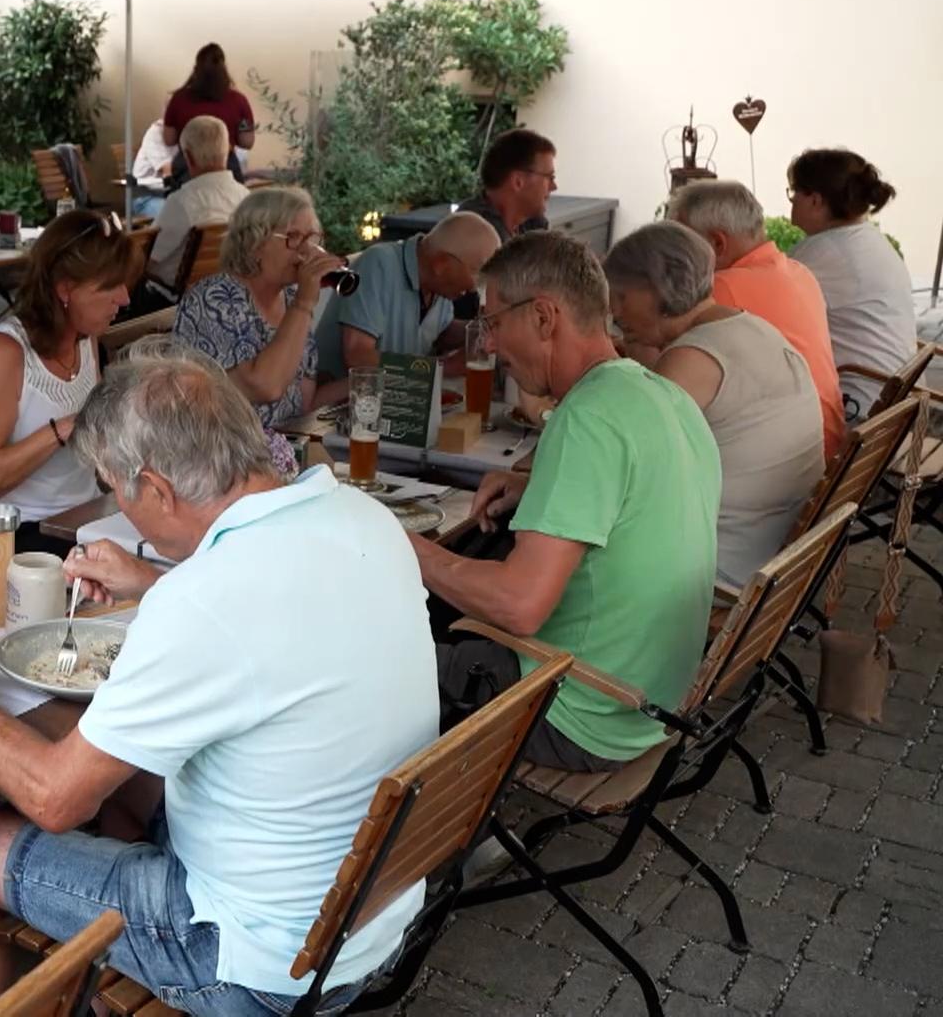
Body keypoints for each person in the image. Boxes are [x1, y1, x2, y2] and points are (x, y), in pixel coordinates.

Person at [0, 338, 437, 1013]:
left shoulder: (206, 601)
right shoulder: (363, 518)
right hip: (367, 912)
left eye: (114, 487)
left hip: (254, 963)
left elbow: (53, 799)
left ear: (156, 488)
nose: (118, 504)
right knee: (123, 780)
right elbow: (267, 620)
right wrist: (152, 580)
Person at [411, 232, 720, 772]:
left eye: (495, 323)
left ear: (544, 317)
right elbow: (638, 504)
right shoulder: (660, 393)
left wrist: (402, 545)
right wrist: (538, 487)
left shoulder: (587, 418)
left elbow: (518, 606)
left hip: (577, 712)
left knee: (356, 662)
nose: (490, 346)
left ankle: (406, 844)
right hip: (647, 700)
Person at [606, 222, 823, 588]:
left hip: (720, 571)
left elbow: (619, 469)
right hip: (772, 554)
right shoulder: (750, 327)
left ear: (656, 289)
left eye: (622, 297)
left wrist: (542, 410)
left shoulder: (693, 358)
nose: (614, 312)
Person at [0, 211, 133, 550]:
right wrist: (60, 431)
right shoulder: (4, 355)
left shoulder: (85, 339)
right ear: (66, 289)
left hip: (79, 520)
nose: (124, 298)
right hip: (14, 534)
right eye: (110, 286)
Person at [667, 179, 844, 460]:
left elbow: (661, 376)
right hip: (825, 445)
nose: (671, 257)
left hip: (788, 466)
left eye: (679, 245)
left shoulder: (720, 288)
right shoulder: (799, 271)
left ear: (717, 243)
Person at [172, 188, 343, 430]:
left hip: (284, 449)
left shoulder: (292, 297)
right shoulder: (214, 299)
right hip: (221, 457)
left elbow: (303, 403)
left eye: (312, 238)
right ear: (254, 243)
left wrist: (369, 383)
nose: (307, 251)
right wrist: (304, 305)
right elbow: (266, 387)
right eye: (293, 237)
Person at [786, 148, 917, 420]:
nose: (791, 200)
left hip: (860, 411)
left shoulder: (824, 252)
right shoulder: (869, 239)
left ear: (815, 200)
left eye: (793, 191)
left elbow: (759, 309)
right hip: (896, 408)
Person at [312, 211, 501, 388]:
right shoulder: (379, 264)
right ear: (441, 264)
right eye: (478, 275)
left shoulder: (440, 285)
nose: (476, 288)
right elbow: (358, 356)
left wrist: (484, 331)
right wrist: (446, 366)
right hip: (333, 407)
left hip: (397, 401)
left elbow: (439, 332)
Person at [147, 117, 248, 285]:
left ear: (188, 157)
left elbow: (149, 258)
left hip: (171, 300)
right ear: (228, 149)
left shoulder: (181, 202)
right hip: (227, 291)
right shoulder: (246, 198)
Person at [459, 129, 555, 242]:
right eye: (549, 177)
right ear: (518, 182)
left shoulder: (533, 225)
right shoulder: (472, 231)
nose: (554, 186)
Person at [162, 43, 255, 153]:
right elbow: (247, 142)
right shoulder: (239, 101)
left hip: (187, 163)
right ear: (223, 69)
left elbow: (169, 140)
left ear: (196, 68)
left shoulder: (178, 99)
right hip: (225, 162)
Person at [128, 118, 179, 220]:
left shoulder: (189, 131)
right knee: (177, 215)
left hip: (169, 196)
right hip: (145, 198)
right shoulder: (157, 132)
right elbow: (169, 173)